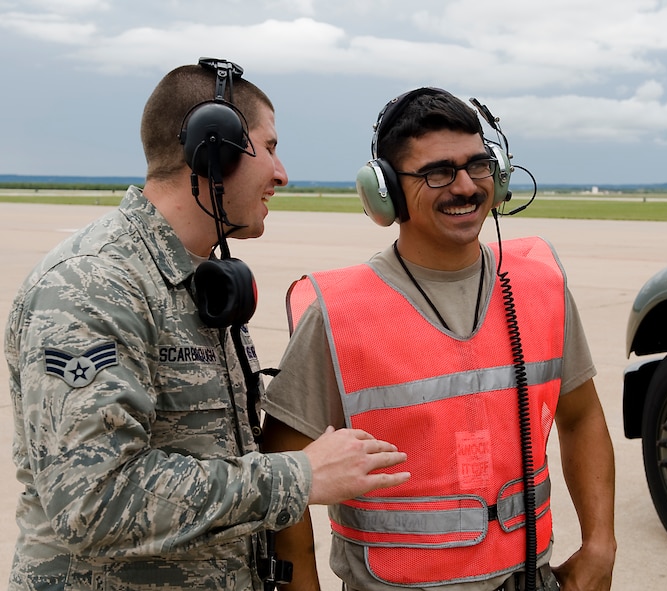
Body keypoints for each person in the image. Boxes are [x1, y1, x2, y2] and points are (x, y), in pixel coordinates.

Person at [4, 58, 409, 591]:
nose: (281, 173)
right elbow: (92, 503)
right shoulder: (91, 287)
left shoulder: (203, 281)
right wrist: (302, 475)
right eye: (267, 147)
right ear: (213, 150)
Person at [262, 87, 616, 591]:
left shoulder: (540, 288)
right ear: (385, 191)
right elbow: (284, 468)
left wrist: (600, 545)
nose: (467, 187)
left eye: (479, 165)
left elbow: (580, 416)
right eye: (437, 172)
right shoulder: (339, 313)